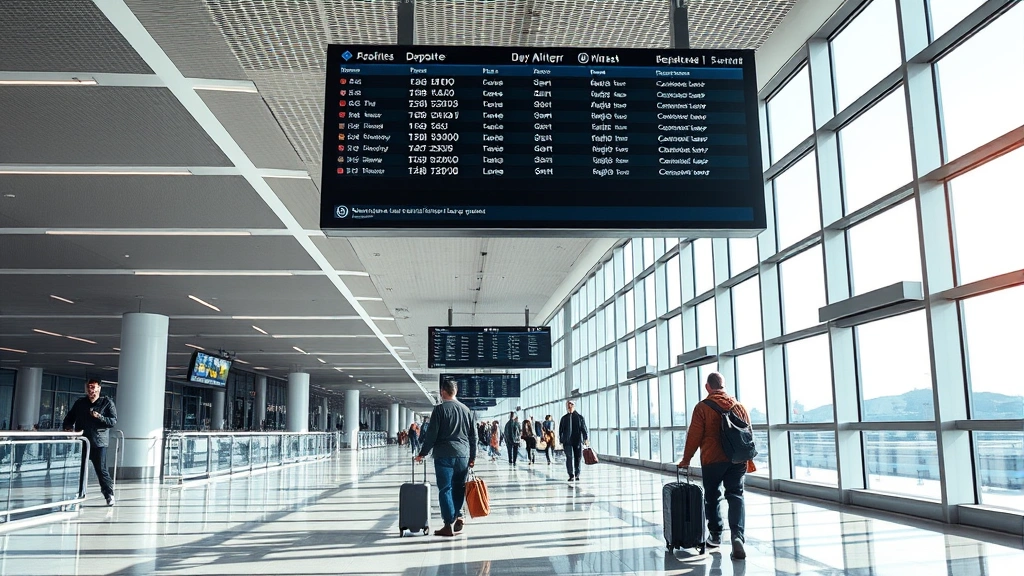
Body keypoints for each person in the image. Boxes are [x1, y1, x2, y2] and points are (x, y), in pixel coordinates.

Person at [677, 372, 756, 560]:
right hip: (738, 460)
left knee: (712, 497)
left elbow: (694, 436)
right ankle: (737, 536)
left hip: (713, 459)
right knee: (736, 495)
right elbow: (748, 435)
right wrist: (749, 460)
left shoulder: (702, 407)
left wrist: (686, 459)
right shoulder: (739, 406)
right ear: (724, 385)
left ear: (707, 387)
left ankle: (715, 536)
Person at [415, 378, 476, 537]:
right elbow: (473, 437)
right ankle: (459, 515)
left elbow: (431, 435)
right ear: (455, 392)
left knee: (445, 489)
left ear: (443, 392)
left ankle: (448, 523)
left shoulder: (439, 410)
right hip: (463, 454)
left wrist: (422, 453)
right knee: (459, 487)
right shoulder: (466, 410)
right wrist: (472, 457)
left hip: (443, 455)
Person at [62, 379, 117, 506]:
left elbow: (113, 421)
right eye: (88, 387)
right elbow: (70, 417)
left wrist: (100, 417)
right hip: (83, 441)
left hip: (99, 442)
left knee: (101, 469)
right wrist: (68, 427)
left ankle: (109, 494)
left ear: (99, 389)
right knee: (81, 469)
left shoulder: (106, 403)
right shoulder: (80, 403)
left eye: (93, 387)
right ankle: (80, 493)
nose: (90, 390)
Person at [558, 400, 589, 482]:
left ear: (574, 406)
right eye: (568, 405)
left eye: (571, 404)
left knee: (578, 458)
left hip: (577, 441)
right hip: (567, 442)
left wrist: (585, 438)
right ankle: (571, 474)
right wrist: (561, 440)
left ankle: (577, 474)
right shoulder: (564, 418)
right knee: (569, 457)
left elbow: (584, 429)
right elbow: (561, 430)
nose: (570, 406)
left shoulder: (579, 417)